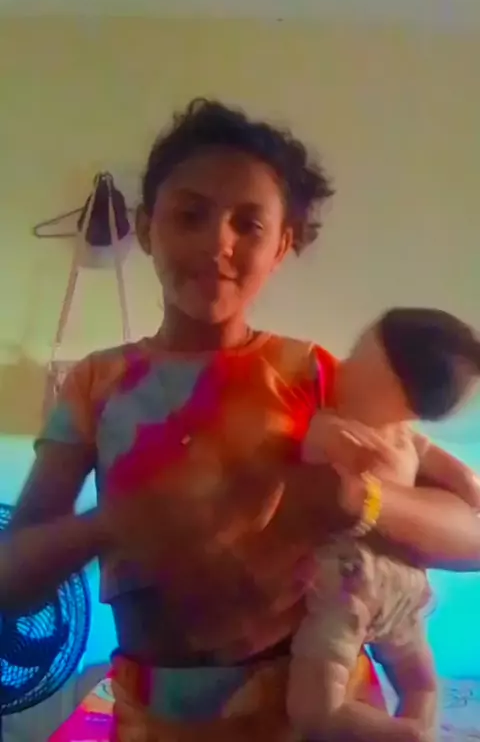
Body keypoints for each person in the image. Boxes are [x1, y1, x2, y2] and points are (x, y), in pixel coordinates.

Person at [1, 99, 480, 742]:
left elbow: (470, 540)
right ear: (145, 228)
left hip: (309, 709)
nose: (217, 243)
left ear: (282, 246)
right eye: (190, 215)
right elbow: (10, 581)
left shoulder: (319, 377)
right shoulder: (97, 384)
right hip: (159, 721)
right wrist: (109, 526)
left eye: (248, 224)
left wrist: (357, 498)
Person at [288, 307, 480, 742]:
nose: (343, 367)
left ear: (401, 399)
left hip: (349, 584)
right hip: (404, 585)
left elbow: (315, 451)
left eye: (359, 362)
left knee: (316, 710)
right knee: (420, 684)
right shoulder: (404, 441)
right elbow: (465, 483)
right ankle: (416, 730)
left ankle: (402, 736)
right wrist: (469, 488)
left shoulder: (341, 426)